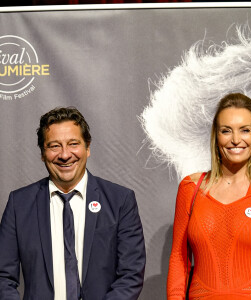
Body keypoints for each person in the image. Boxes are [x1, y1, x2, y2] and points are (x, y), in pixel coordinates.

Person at [0, 107, 146, 300]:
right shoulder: (19, 204)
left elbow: (131, 274)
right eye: (54, 146)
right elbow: (3, 277)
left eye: (73, 144)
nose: (65, 155)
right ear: (43, 153)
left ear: (87, 147)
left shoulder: (120, 200)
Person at [167, 93, 251, 299]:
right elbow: (179, 258)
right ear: (216, 137)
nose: (236, 140)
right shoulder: (190, 188)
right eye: (226, 131)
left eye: (245, 130)